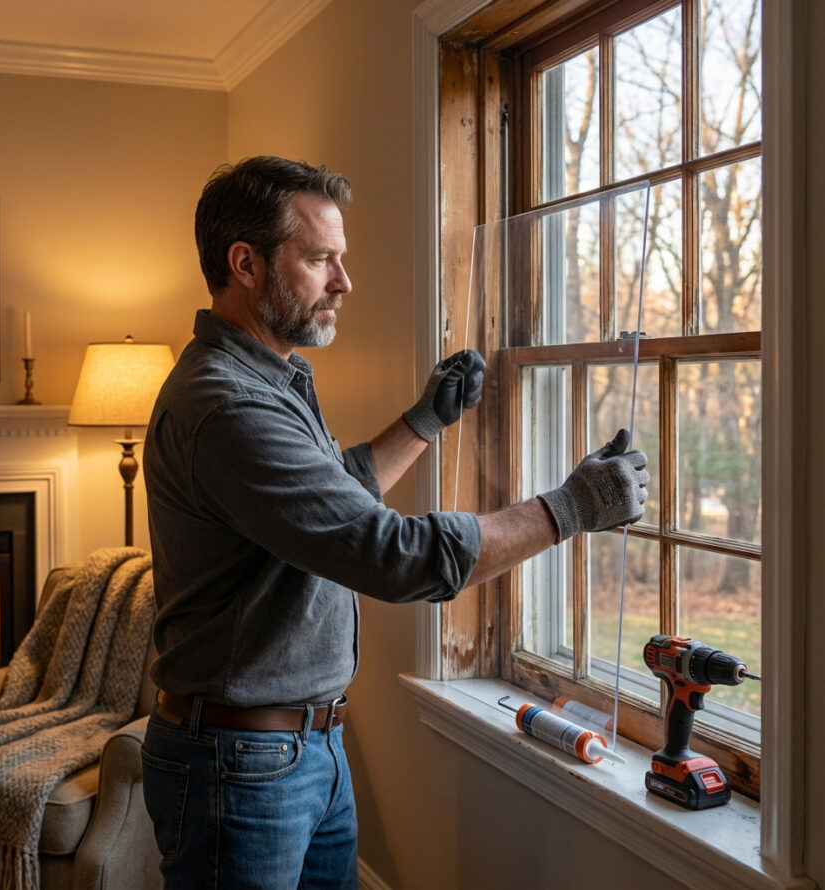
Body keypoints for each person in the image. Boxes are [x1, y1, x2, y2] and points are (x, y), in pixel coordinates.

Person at [141, 156, 648, 890]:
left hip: (302, 749)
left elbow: (330, 503)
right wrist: (571, 507)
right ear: (244, 264)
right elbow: (393, 557)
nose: (344, 282)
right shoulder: (226, 407)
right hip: (240, 767)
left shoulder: (269, 378)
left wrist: (422, 421)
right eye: (320, 259)